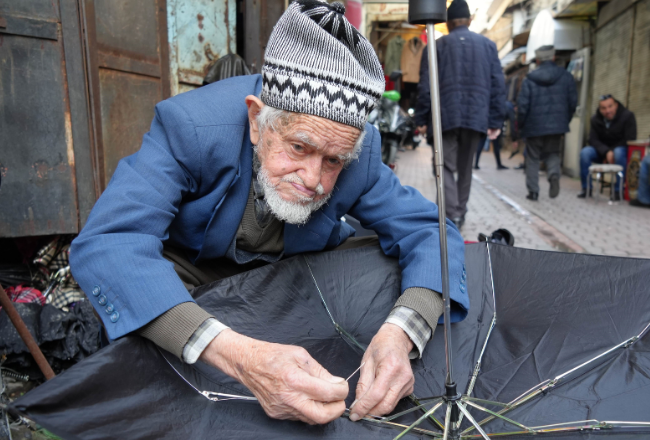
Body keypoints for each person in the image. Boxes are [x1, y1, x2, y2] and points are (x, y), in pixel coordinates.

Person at [69, 0, 467, 427]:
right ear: (257, 119)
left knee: (383, 261)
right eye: (299, 147)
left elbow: (431, 230)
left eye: (333, 161)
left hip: (288, 287)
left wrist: (401, 334)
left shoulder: (360, 153)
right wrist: (238, 356)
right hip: (191, 285)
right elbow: (109, 243)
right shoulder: (192, 128)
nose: (313, 178)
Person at [414, 0, 506, 228]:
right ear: (470, 21)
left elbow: (425, 85)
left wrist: (421, 119)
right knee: (465, 169)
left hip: (445, 117)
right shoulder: (488, 46)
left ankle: (450, 214)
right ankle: (459, 213)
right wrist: (495, 120)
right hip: (476, 118)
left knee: (444, 165)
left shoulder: (436, 46)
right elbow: (498, 84)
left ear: (448, 23)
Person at [516, 45, 578, 201]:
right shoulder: (566, 76)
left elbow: (522, 106)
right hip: (557, 126)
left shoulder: (529, 79)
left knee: (532, 158)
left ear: (537, 60)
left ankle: (533, 191)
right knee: (553, 153)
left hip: (533, 126)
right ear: (553, 57)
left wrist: (521, 126)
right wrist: (565, 121)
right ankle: (554, 175)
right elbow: (573, 103)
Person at [579, 94, 637, 199]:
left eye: (610, 106)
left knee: (619, 152)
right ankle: (586, 189)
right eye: (604, 108)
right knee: (585, 152)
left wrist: (612, 151)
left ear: (616, 105)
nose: (607, 111)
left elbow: (630, 139)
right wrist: (606, 152)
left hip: (620, 152)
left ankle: (617, 191)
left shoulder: (628, 116)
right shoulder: (595, 119)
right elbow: (592, 139)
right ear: (600, 109)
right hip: (601, 152)